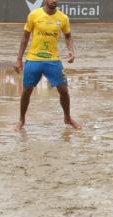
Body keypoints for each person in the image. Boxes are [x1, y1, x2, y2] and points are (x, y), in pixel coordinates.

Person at [14, 0, 81, 131]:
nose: (54, 0)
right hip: (34, 59)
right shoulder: (34, 15)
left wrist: (71, 51)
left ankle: (67, 118)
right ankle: (21, 120)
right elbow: (25, 38)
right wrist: (19, 59)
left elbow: (68, 36)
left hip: (53, 60)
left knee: (64, 90)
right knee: (27, 91)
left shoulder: (63, 18)